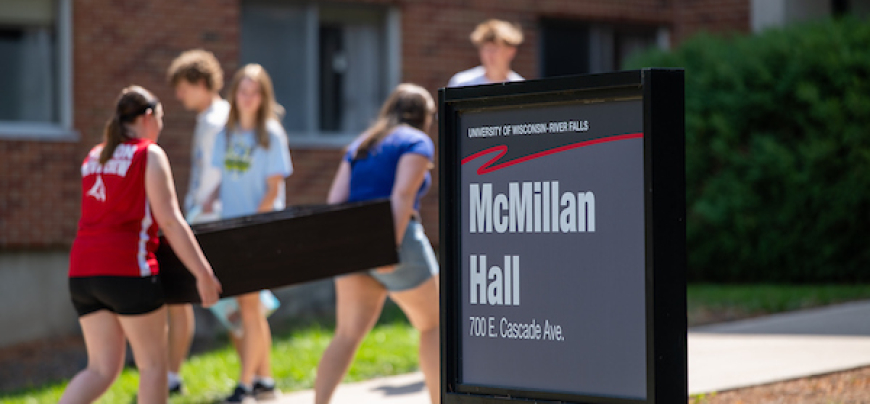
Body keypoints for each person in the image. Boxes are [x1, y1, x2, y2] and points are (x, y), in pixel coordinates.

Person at [60, 86, 222, 404]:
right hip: (127, 270)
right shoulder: (148, 154)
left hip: (82, 272)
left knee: (100, 370)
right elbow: (171, 221)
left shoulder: (93, 155)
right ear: (148, 117)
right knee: (153, 366)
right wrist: (203, 273)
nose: (160, 127)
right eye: (160, 119)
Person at [314, 83, 440, 404]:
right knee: (435, 325)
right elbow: (401, 195)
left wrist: (347, 249)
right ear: (424, 116)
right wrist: (389, 246)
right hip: (398, 242)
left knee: (346, 334)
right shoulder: (418, 142)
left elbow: (335, 201)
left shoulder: (361, 144)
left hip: (354, 246)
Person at [206, 63, 293, 404]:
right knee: (250, 308)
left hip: (258, 231)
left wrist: (252, 227)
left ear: (263, 97)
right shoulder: (225, 135)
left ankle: (245, 384)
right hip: (230, 229)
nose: (248, 97)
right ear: (234, 95)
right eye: (243, 90)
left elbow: (273, 189)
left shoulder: (271, 134)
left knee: (250, 306)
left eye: (254, 92)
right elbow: (221, 184)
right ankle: (266, 381)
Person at [165, 48, 229, 395]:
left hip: (211, 221)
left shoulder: (219, 118)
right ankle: (171, 375)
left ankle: (255, 376)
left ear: (202, 83)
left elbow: (223, 170)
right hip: (199, 218)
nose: (179, 95)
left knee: (234, 304)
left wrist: (209, 202)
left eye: (184, 87)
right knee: (181, 299)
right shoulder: (209, 118)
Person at [447, 19, 525, 87]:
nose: (489, 55)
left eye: (495, 49)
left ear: (511, 51)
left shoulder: (520, 86)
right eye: (486, 49)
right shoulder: (462, 83)